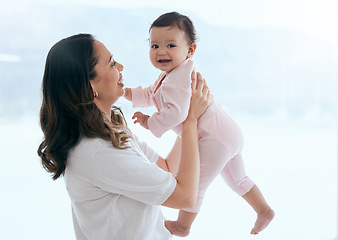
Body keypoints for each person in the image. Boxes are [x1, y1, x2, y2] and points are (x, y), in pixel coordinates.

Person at [37, 33, 211, 240]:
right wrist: (190, 122)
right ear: (90, 83)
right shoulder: (97, 150)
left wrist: (185, 114)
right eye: (111, 63)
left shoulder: (109, 129)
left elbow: (166, 167)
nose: (120, 67)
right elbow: (185, 197)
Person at [123, 12, 275, 237]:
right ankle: (264, 210)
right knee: (238, 179)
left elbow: (176, 114)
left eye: (171, 45)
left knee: (194, 184)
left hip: (212, 138)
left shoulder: (178, 78)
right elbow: (150, 94)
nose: (161, 51)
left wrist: (150, 122)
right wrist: (125, 93)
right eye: (154, 46)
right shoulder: (172, 75)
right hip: (227, 132)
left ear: (190, 50)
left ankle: (183, 226)